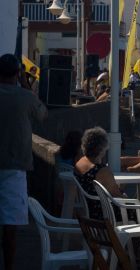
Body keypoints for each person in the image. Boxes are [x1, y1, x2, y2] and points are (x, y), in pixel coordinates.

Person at [0, 54, 47, 270]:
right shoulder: (25, 97)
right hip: (15, 167)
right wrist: (27, 86)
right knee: (10, 225)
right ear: (18, 74)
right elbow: (43, 115)